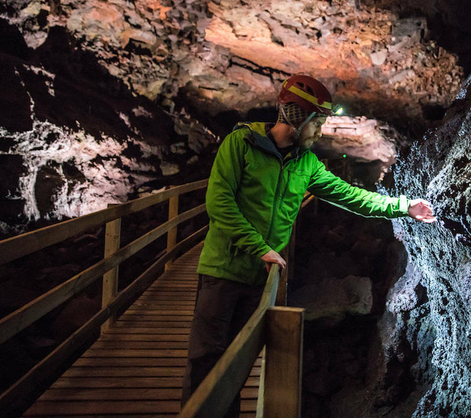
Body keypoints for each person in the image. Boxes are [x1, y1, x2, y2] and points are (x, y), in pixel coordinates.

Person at [181, 75, 436, 415]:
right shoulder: (241, 144)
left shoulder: (306, 164)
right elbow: (220, 204)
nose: (320, 131)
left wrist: (403, 206)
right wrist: (260, 247)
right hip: (222, 270)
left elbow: (350, 196)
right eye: (318, 122)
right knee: (205, 360)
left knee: (236, 364)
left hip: (261, 278)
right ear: (297, 117)